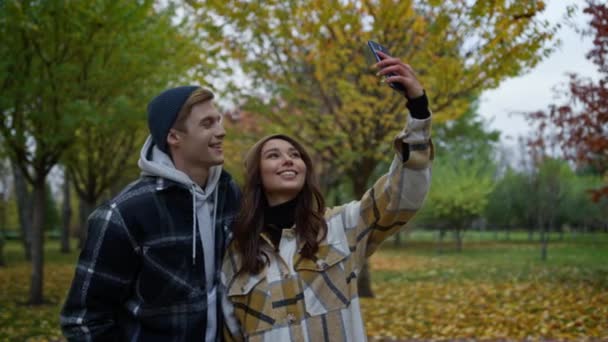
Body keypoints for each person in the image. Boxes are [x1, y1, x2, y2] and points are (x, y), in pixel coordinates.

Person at [220, 51, 433, 341]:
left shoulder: (340, 227)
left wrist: (418, 110)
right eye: (273, 155)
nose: (288, 160)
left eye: (295, 155)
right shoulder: (235, 254)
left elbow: (401, 198)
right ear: (256, 175)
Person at [60, 86, 241, 341]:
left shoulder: (230, 195)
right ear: (174, 137)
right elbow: (83, 321)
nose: (221, 132)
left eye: (219, 121)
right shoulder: (124, 214)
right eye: (207, 124)